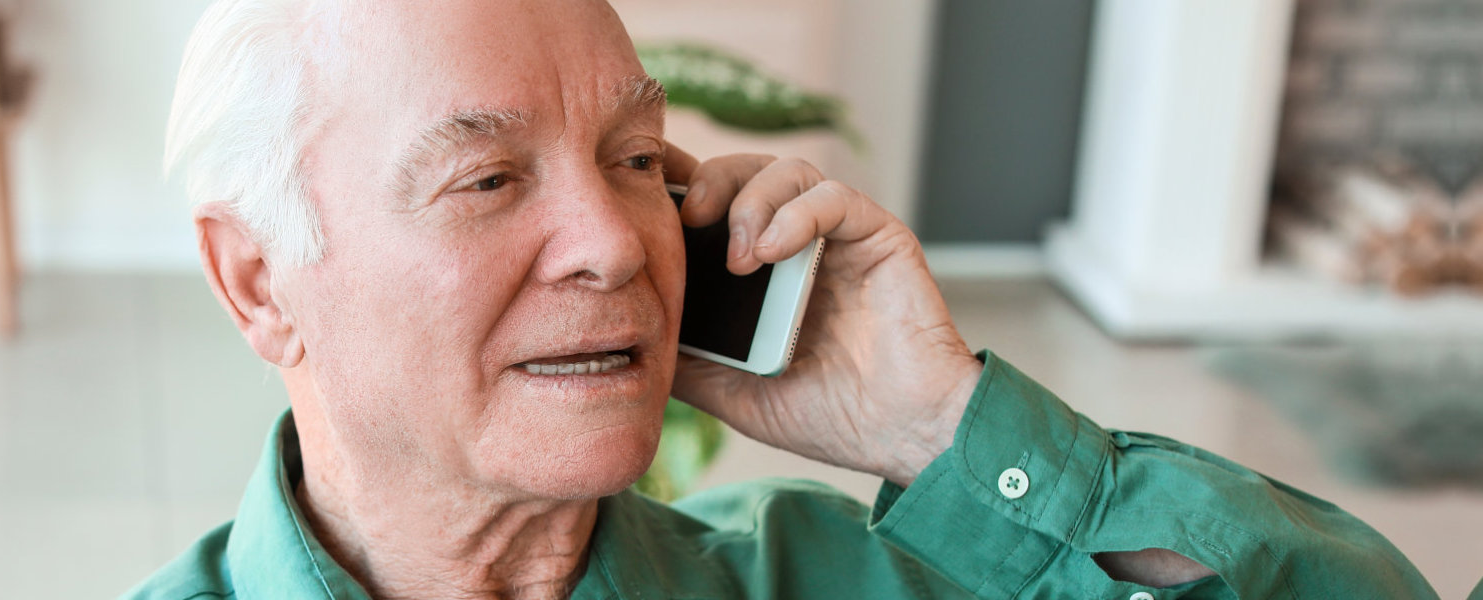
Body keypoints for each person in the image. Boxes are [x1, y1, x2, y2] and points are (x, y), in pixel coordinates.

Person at [126, 0, 1436, 598]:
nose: (614, 243)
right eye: (485, 178)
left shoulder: (831, 576)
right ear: (258, 281)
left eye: (638, 162)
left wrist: (939, 430)